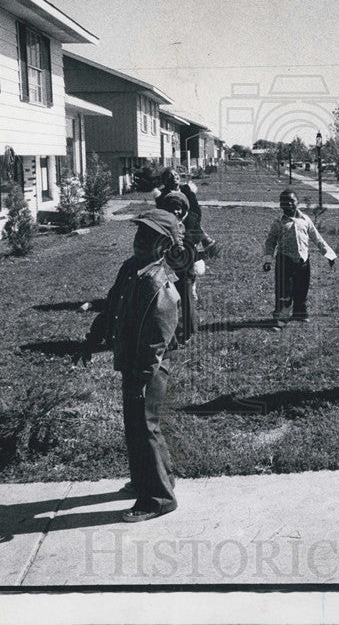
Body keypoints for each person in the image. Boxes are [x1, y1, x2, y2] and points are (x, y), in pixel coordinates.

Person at [79, 208, 182, 522]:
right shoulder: (131, 269)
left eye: (149, 237)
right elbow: (111, 306)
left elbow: (159, 335)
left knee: (144, 429)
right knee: (139, 427)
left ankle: (158, 499)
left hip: (148, 367)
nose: (140, 241)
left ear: (163, 246)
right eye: (139, 233)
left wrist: (142, 374)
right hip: (133, 363)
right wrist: (92, 339)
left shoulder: (157, 283)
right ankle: (153, 479)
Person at [263, 189, 336, 324]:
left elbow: (317, 238)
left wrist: (329, 254)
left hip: (303, 261)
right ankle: (280, 318)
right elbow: (270, 242)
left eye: (292, 201)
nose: (288, 204)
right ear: (280, 205)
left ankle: (299, 313)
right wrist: (268, 260)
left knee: (302, 288)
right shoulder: (278, 222)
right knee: (284, 290)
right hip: (285, 260)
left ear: (298, 203)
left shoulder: (305, 219)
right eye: (284, 202)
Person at [157, 190, 199, 344]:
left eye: (179, 208)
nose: (175, 211)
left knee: (186, 300)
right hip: (167, 269)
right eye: (171, 208)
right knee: (168, 301)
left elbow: (193, 245)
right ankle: (168, 331)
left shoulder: (189, 223)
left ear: (184, 210)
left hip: (185, 269)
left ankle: (188, 332)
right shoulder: (161, 227)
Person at [153, 168, 217, 256]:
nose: (174, 177)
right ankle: (205, 242)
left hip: (189, 217)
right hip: (172, 219)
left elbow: (195, 207)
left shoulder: (186, 189)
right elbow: (162, 211)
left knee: (192, 223)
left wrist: (187, 217)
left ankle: (198, 245)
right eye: (170, 176)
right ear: (165, 180)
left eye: (175, 174)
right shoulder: (162, 194)